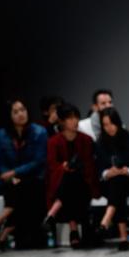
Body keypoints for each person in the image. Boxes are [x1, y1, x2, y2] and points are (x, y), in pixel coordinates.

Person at [44, 102, 100, 247]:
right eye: (70, 118)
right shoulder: (53, 142)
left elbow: (90, 165)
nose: (74, 121)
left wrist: (75, 169)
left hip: (85, 182)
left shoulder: (86, 140)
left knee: (74, 179)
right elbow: (52, 165)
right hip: (63, 182)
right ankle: (74, 230)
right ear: (61, 121)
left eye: (76, 117)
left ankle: (57, 213)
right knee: (70, 179)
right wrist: (63, 167)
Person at [0, 99, 48, 250]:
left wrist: (15, 173)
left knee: (27, 188)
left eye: (23, 110)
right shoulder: (1, 135)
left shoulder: (39, 132)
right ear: (9, 115)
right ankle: (7, 230)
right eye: (16, 111)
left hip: (33, 178)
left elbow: (38, 161)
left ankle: (5, 222)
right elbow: (0, 162)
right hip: (10, 181)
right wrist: (10, 176)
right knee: (21, 191)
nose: (21, 114)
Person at [94, 107, 129, 249]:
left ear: (117, 122)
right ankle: (122, 237)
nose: (109, 128)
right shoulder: (100, 142)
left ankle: (108, 222)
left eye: (111, 123)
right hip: (110, 184)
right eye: (105, 125)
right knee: (116, 185)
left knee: (118, 184)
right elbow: (98, 167)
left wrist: (128, 171)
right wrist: (107, 173)